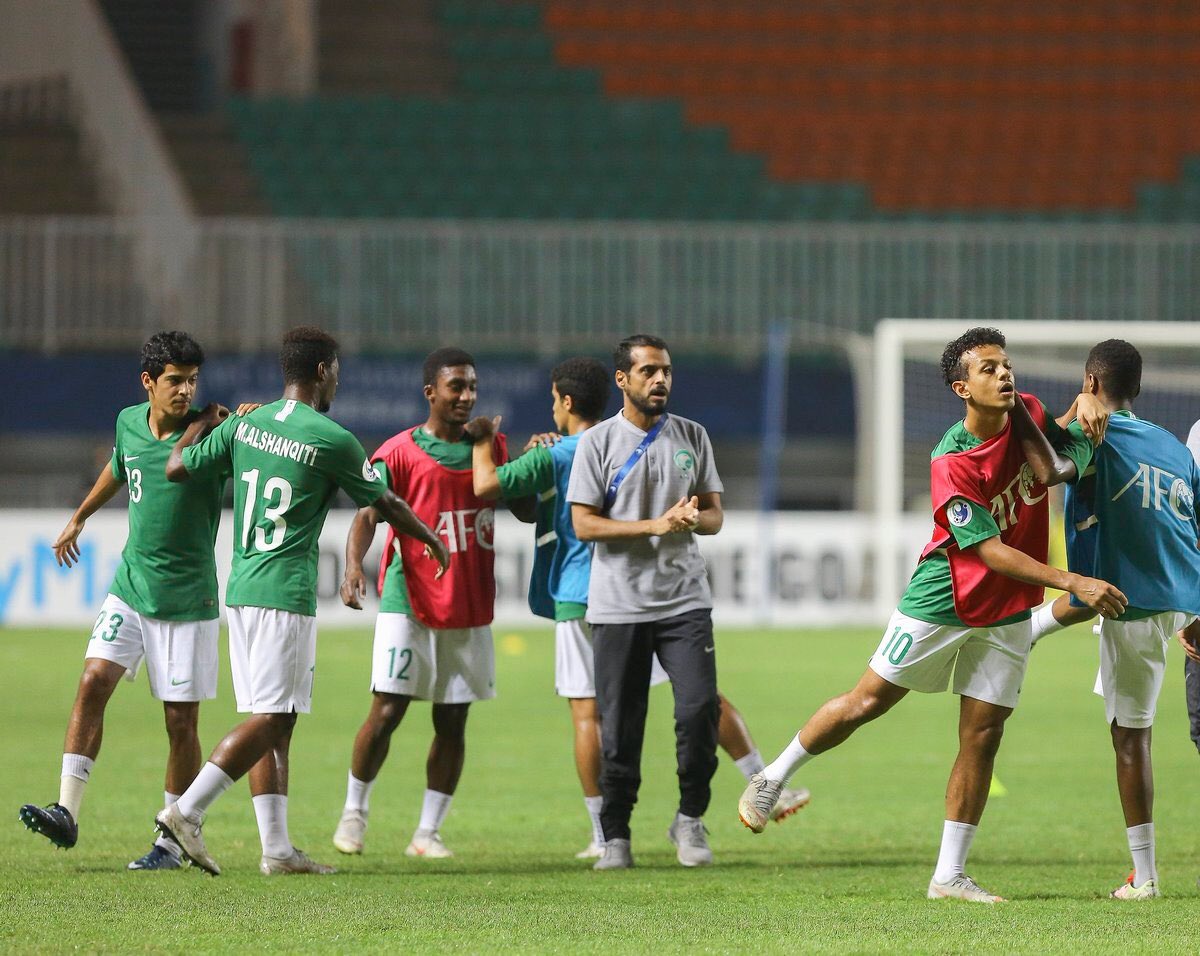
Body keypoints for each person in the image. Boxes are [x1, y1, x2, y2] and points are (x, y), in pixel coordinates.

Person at [737, 327, 1127, 902]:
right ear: (960, 386)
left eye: (1006, 365)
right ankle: (772, 777)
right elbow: (988, 551)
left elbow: (1064, 439)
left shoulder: (1030, 412)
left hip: (1008, 611)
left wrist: (1087, 401)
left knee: (983, 735)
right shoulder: (951, 459)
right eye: (988, 369)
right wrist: (1073, 581)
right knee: (867, 701)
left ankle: (949, 875)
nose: (1004, 375)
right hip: (946, 594)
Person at [469, 356, 809, 860]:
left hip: (586, 596)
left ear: (563, 401)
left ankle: (603, 833)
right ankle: (761, 781)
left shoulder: (559, 451)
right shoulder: (609, 441)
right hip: (647, 590)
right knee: (700, 699)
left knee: (592, 715)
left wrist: (482, 443)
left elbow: (488, 487)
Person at [154, 326, 449, 876]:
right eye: (336, 370)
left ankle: (277, 850)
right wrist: (430, 538)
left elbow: (175, 468)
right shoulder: (331, 438)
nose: (337, 379)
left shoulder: (248, 423)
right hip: (283, 593)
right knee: (273, 716)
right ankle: (185, 813)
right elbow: (382, 500)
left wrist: (201, 424)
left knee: (276, 720)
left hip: (241, 588)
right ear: (321, 371)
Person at [19, 331, 238, 871]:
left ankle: (170, 842)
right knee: (93, 681)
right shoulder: (127, 422)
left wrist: (244, 420)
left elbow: (254, 459)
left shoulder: (213, 435)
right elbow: (121, 467)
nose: (186, 390)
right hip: (132, 587)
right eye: (174, 381)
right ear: (148, 383)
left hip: (188, 601)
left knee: (179, 723)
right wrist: (81, 515)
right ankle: (66, 813)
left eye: (192, 381)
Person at [1016, 339, 1200, 899]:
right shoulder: (1172, 445)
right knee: (1093, 595)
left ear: (1092, 382)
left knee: (1130, 736)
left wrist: (1074, 409)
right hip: (1183, 596)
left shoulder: (1095, 437)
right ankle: (1027, 631)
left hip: (1135, 605)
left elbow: (1040, 460)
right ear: (1137, 389)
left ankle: (1144, 876)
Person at [332, 347, 521, 860]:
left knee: (453, 718)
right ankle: (354, 811)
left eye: (472, 387)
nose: (466, 396)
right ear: (430, 393)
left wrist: (522, 452)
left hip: (469, 600)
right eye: (455, 387)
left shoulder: (489, 448)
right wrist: (353, 566)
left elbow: (521, 503)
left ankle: (427, 833)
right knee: (388, 708)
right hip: (407, 596)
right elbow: (369, 514)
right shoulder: (397, 451)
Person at [565, 334, 725, 870]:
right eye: (649, 371)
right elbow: (584, 523)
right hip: (617, 606)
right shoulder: (597, 444)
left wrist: (691, 519)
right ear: (623, 380)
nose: (661, 380)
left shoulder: (692, 436)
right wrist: (656, 523)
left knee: (700, 710)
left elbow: (715, 516)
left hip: (684, 601)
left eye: (667, 371)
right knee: (621, 727)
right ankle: (616, 836)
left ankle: (690, 818)